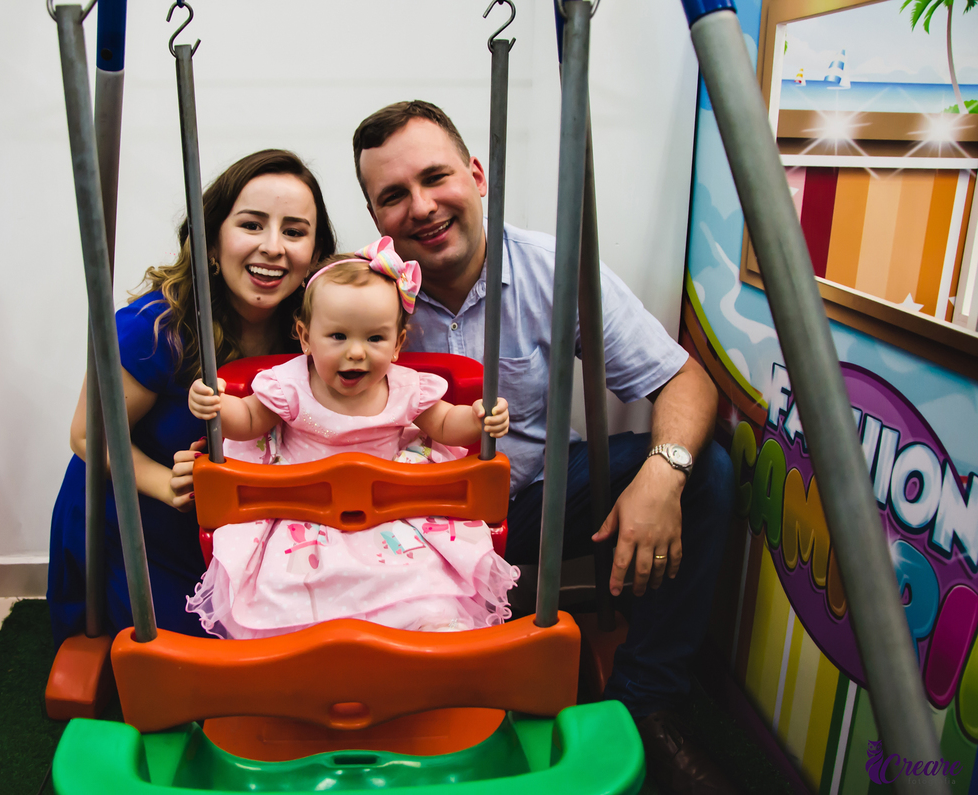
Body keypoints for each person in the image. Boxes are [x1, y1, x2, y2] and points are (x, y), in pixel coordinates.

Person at [353, 101, 737, 795]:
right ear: (376, 217)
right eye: (392, 195)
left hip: (532, 501)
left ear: (476, 175)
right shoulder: (358, 295)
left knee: (702, 470)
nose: (421, 206)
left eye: (435, 177)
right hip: (404, 528)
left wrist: (664, 470)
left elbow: (685, 380)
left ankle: (644, 704)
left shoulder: (552, 268)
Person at [48, 149, 337, 648]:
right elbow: (86, 435)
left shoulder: (312, 331)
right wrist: (167, 485)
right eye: (251, 225)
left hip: (237, 526)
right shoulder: (158, 326)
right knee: (196, 666)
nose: (273, 247)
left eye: (294, 231)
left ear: (314, 252)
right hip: (140, 521)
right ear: (209, 241)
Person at [185, 237, 516, 639]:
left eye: (374, 339)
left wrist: (480, 419)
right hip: (304, 514)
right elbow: (250, 419)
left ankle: (423, 630)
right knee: (283, 582)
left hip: (391, 514)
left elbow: (446, 425)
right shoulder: (290, 385)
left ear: (398, 345)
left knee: (422, 576)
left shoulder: (407, 388)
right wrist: (217, 406)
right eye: (338, 337)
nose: (356, 353)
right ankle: (297, 643)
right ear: (305, 337)